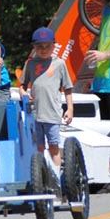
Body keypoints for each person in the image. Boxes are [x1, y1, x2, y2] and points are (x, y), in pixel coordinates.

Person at [20, 27, 73, 175]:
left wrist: (70, 108)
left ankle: (56, 174)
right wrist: (24, 93)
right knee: (39, 147)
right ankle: (42, 174)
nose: (43, 50)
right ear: (34, 47)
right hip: (36, 113)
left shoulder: (59, 64)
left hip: (53, 113)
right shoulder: (30, 64)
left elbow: (67, 88)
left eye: (47, 46)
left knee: (54, 145)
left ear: (53, 46)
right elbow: (22, 86)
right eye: (39, 46)